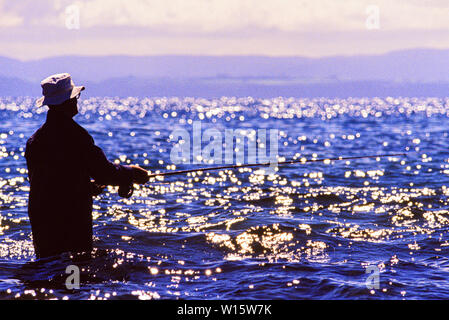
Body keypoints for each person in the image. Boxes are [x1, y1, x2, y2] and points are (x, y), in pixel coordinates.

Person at [25, 73, 149, 259]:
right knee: (77, 266)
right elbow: (104, 173)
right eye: (76, 97)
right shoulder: (77, 137)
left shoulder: (34, 141)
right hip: (71, 218)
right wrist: (132, 173)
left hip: (42, 218)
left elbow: (48, 182)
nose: (77, 101)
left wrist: (86, 188)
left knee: (47, 265)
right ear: (68, 101)